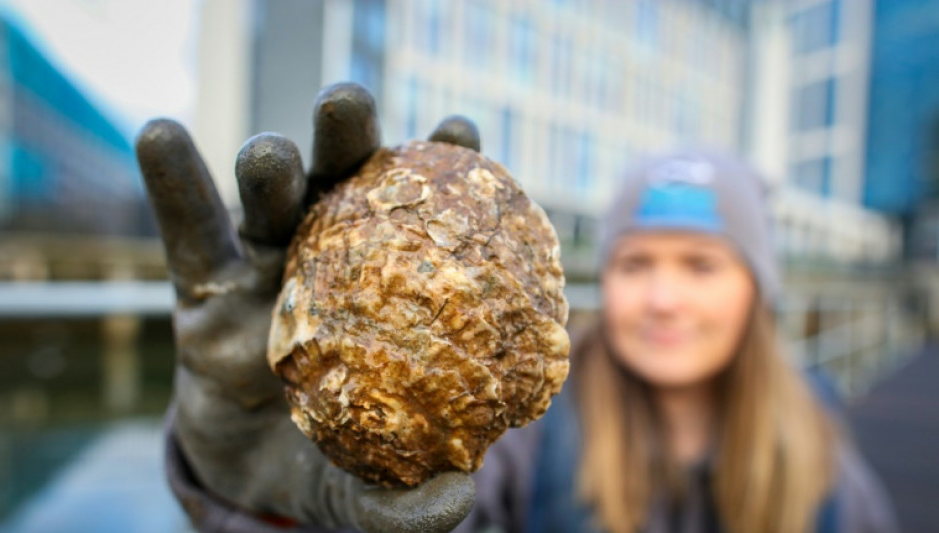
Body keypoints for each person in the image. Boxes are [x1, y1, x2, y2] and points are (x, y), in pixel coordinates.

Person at [139, 83, 897, 533]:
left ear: (756, 289)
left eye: (701, 265)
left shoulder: (829, 465)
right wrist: (260, 505)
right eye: (637, 263)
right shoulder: (520, 440)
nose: (664, 298)